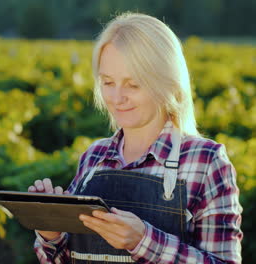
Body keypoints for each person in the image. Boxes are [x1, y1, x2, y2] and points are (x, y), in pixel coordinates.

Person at [28, 12, 243, 263]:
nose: (117, 98)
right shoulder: (94, 158)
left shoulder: (205, 161)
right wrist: (51, 232)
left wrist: (143, 242)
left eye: (133, 85)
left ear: (166, 83)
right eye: (108, 82)